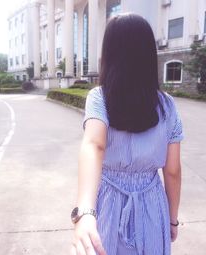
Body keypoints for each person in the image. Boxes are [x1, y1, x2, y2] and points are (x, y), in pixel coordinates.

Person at [70, 13, 183, 255]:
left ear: (109, 54)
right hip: (152, 203)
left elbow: (93, 145)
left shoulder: (99, 97)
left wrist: (86, 212)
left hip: (108, 201)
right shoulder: (168, 105)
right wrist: (172, 219)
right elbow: (172, 171)